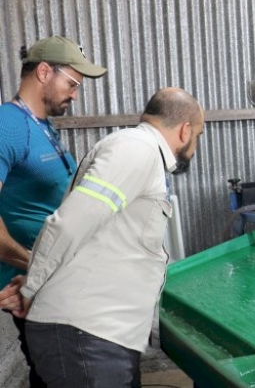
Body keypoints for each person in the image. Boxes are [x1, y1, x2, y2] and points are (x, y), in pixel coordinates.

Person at [13, 88, 204, 387]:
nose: (195, 144)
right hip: (86, 336)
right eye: (199, 135)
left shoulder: (141, 153)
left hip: (100, 336)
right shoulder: (136, 150)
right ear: (186, 129)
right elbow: (69, 223)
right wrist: (32, 288)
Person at [0, 36, 107, 388]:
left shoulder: (42, 126)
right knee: (59, 375)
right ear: (44, 72)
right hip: (31, 283)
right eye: (72, 83)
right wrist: (36, 264)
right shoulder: (7, 126)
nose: (74, 94)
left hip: (56, 278)